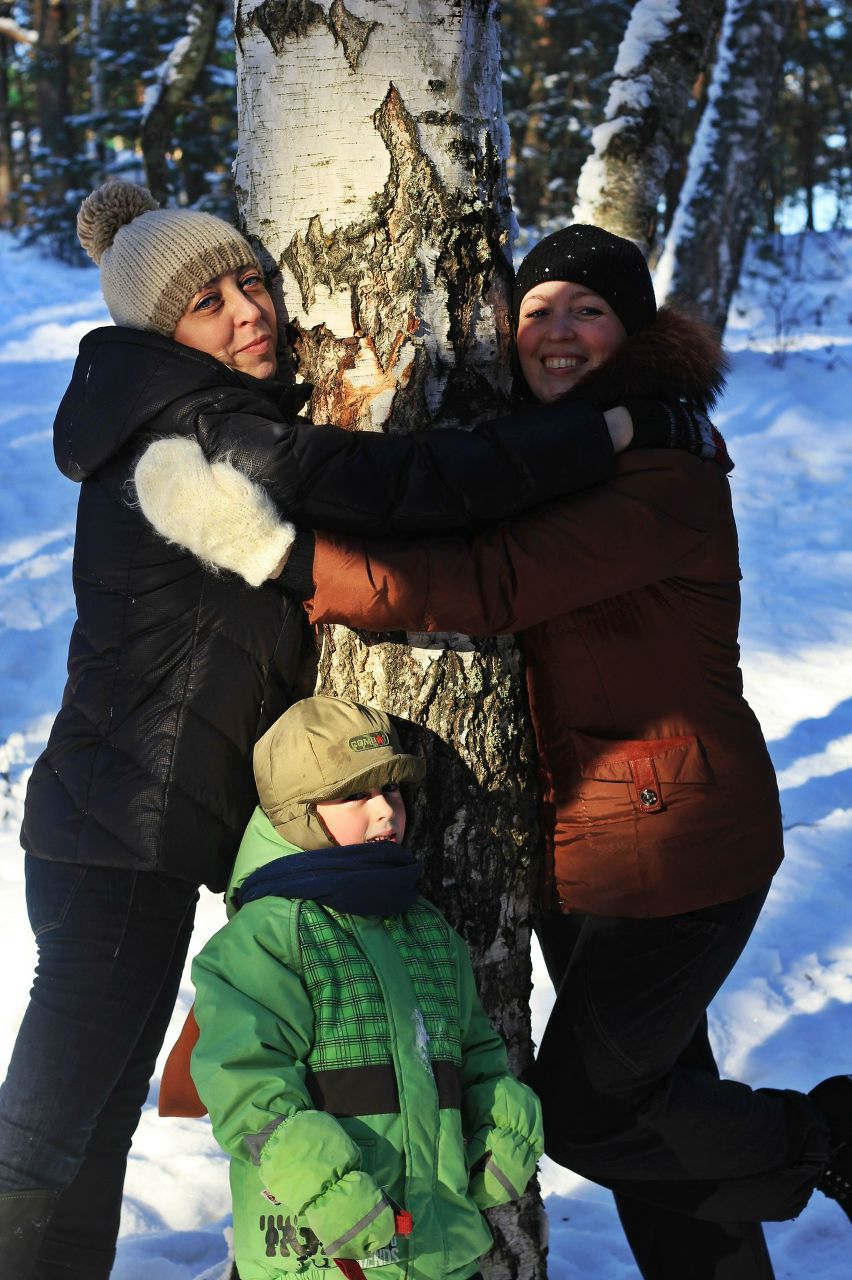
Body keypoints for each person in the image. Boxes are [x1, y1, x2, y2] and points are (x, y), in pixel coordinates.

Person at [0, 182, 709, 1280]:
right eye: (207, 304)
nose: (249, 312)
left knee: (89, 1127)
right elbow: (408, 480)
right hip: (118, 824)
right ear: (159, 332)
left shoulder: (199, 413)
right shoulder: (207, 426)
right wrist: (610, 424)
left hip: (131, 820)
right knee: (50, 1130)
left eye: (250, 282)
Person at [142, 225, 852, 1279]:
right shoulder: (555, 454)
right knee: (655, 1103)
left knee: (589, 1114)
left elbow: (488, 584)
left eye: (588, 311)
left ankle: (832, 1136)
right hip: (591, 840)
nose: (557, 333)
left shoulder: (661, 469)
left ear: (635, 334)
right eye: (537, 311)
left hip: (680, 849)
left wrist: (280, 554)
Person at [160, 695, 543, 1280]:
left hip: (438, 1250)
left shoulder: (427, 929)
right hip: (320, 1255)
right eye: (355, 796)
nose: (385, 812)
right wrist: (326, 1191)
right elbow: (248, 1087)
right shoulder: (268, 936)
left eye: (391, 792)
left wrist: (502, 1126)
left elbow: (476, 1050)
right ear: (298, 814)